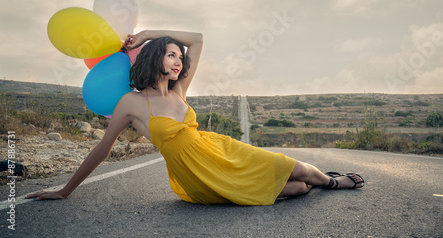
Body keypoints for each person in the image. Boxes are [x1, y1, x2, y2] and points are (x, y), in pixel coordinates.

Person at [26, 30, 364, 205]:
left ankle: (332, 182)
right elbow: (101, 150)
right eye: (170, 54)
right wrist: (65, 190)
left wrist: (147, 34)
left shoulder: (179, 90)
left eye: (179, 56)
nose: (178, 61)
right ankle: (318, 182)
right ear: (155, 58)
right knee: (298, 189)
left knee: (302, 172)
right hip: (197, 176)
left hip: (222, 151)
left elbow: (198, 39)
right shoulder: (131, 103)